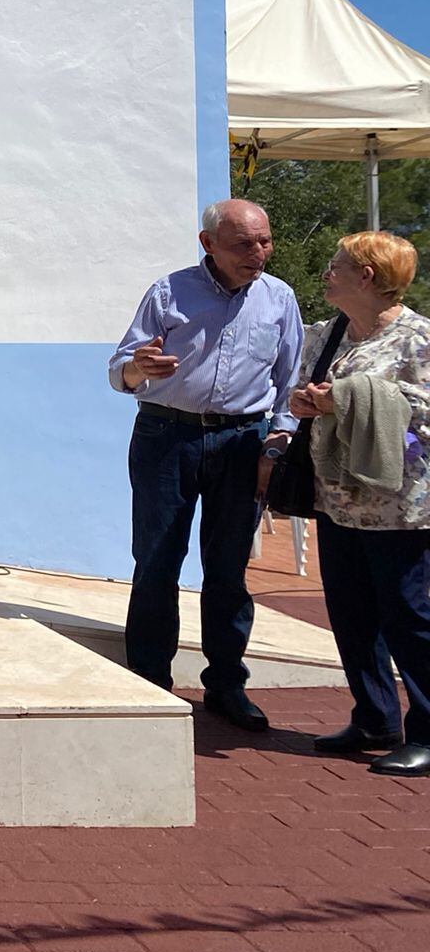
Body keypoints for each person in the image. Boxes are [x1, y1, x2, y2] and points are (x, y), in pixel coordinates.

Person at [109, 198, 302, 731]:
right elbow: (119, 369)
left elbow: (287, 383)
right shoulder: (169, 292)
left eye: (264, 241)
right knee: (156, 561)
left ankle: (226, 685)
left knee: (228, 570)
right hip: (166, 436)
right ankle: (149, 683)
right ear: (208, 243)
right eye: (244, 243)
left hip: (243, 441)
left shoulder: (279, 298)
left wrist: (276, 444)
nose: (257, 253)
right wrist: (136, 369)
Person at [288, 231, 430, 776]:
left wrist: (345, 398)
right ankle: (374, 718)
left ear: (366, 276)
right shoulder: (329, 335)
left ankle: (428, 730)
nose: (327, 272)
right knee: (351, 615)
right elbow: (306, 391)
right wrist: (307, 403)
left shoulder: (418, 339)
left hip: (399, 504)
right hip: (338, 496)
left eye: (337, 265)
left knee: (407, 616)